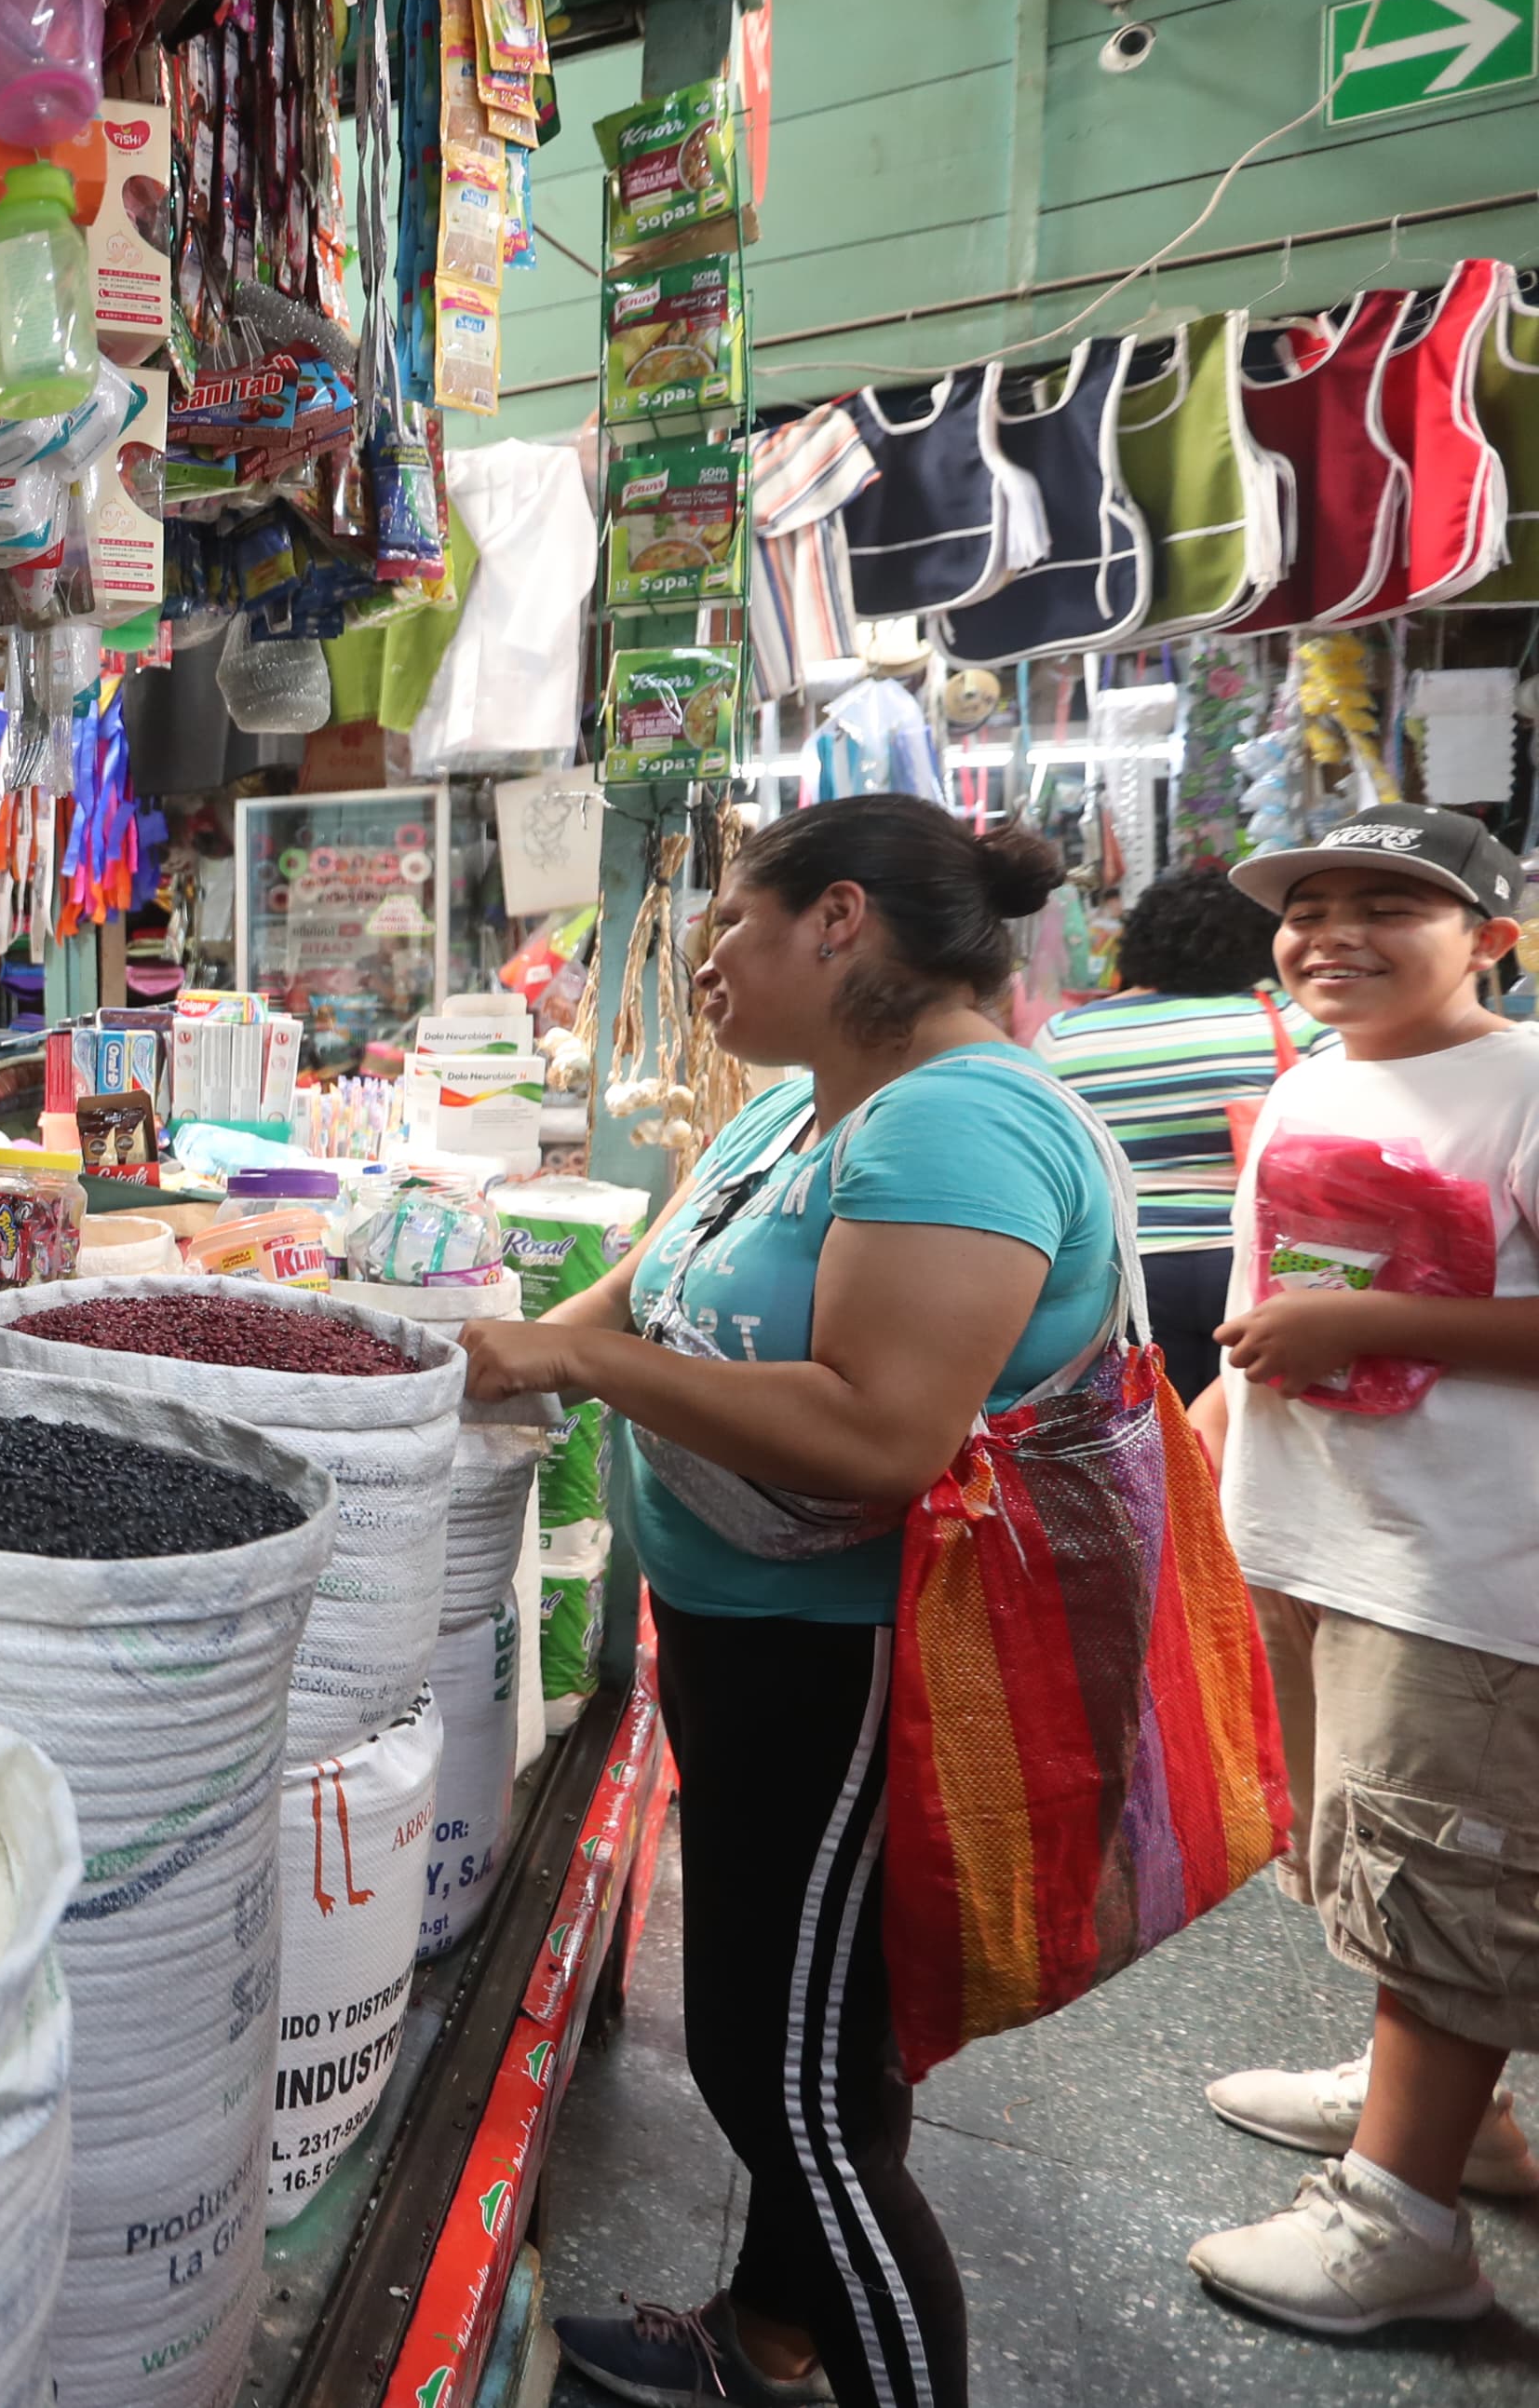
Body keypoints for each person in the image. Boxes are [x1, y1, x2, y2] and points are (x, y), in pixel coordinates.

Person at [456, 794, 1124, 2408]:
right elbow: (662, 1272)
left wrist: (587, 1361)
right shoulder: (810, 1106)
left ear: (839, 920)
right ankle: (766, 2334)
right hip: (750, 1648)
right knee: (817, 2041)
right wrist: (536, 1332)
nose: (702, 969)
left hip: (853, 1672)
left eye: (726, 932)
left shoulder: (952, 1125)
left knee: (788, 2084)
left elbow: (884, 1432)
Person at [1181, 805, 1539, 2335]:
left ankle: (1405, 2224)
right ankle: (1454, 2111)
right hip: (1309, 1528)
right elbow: (1291, 1285)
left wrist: (1363, 1331)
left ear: (1495, 939)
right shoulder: (1320, 1070)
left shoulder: (1523, 1083)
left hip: (1460, 1566)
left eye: (1389, 901)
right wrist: (1217, 1405)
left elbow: (1361, 1313)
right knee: (1353, 1843)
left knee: (1439, 1870)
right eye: (1307, 902)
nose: (1330, 928)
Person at [1035, 861, 1322, 1400]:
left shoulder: (1063, 1036)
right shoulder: (1291, 1019)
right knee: (1251, 1441)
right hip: (1259, 1264)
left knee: (1153, 1450)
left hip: (1121, 1273)